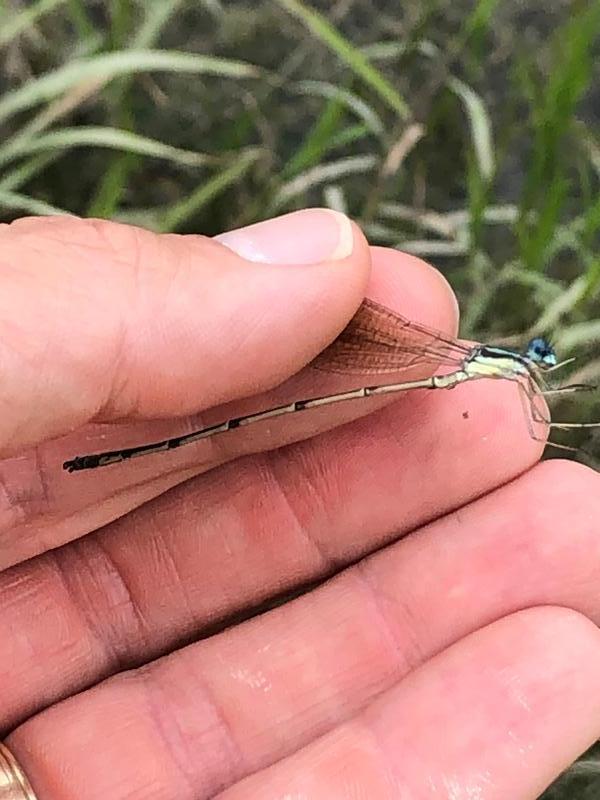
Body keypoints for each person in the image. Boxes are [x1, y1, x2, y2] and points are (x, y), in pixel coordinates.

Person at [0, 209, 598, 800]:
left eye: (540, 364)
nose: (537, 367)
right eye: (539, 362)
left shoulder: (508, 374)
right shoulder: (503, 373)